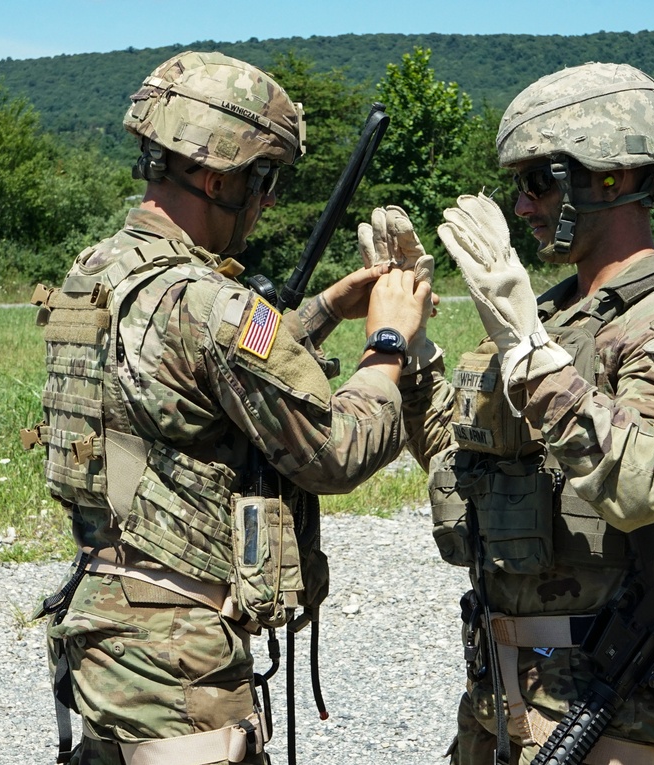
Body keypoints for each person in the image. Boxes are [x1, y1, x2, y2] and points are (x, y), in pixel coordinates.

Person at [22, 51, 428, 765]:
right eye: (262, 181)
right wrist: (388, 348)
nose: (266, 202)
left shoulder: (98, 270)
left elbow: (194, 369)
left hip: (109, 625)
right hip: (183, 656)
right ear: (216, 177)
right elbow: (334, 451)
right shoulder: (210, 302)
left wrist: (326, 308)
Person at [386, 62, 654, 764]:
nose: (523, 207)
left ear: (607, 178)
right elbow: (461, 460)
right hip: (502, 696)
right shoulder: (555, 314)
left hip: (605, 704)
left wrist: (528, 350)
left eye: (536, 182)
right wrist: (414, 350)